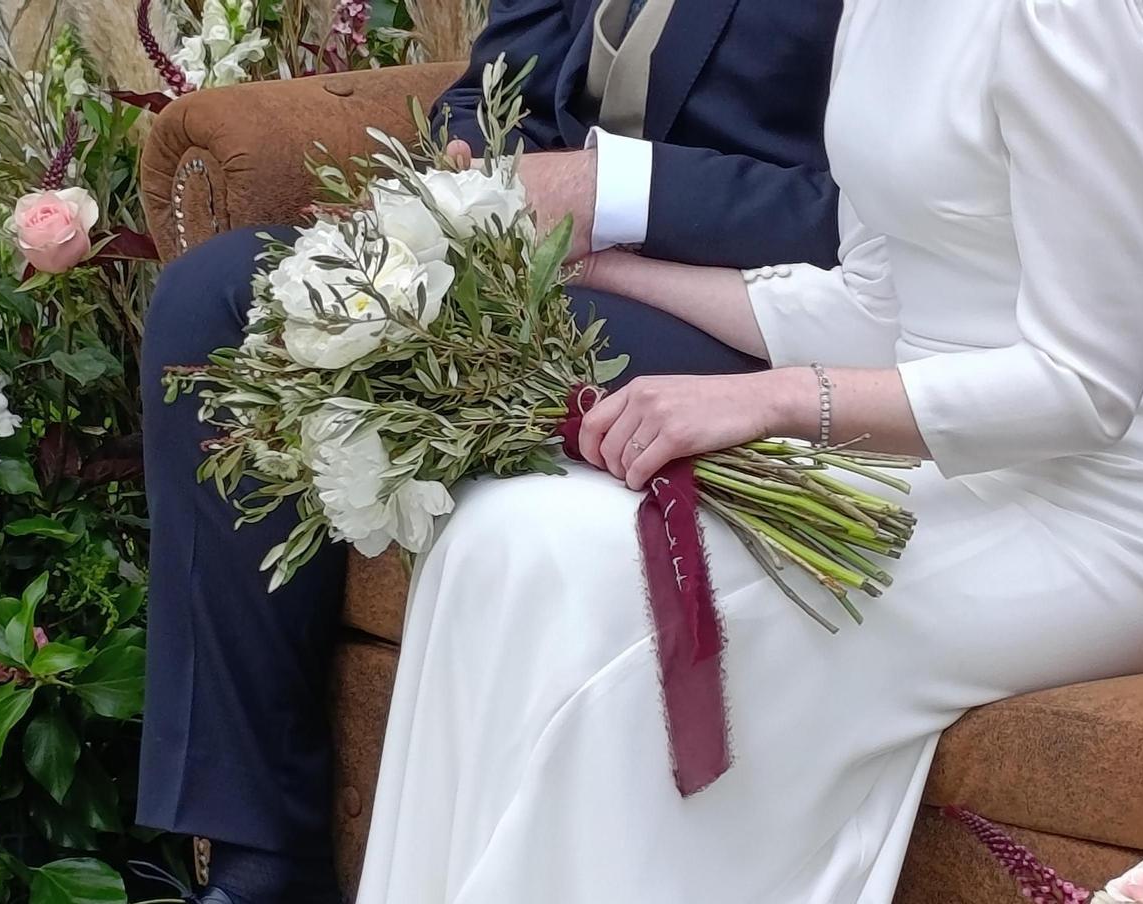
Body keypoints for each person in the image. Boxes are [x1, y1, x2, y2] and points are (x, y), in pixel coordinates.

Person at [354, 0, 1143, 902]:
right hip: (931, 448)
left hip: (1100, 508)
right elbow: (876, 305)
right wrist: (591, 263)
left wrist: (767, 401)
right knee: (505, 533)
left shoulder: (1064, 15)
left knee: (618, 605)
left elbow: (1085, 386)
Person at [137, 0, 844, 901]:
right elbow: (491, 87)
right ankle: (257, 866)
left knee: (393, 337)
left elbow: (883, 213)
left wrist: (606, 193)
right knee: (216, 305)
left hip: (754, 305)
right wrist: (468, 170)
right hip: (539, 261)